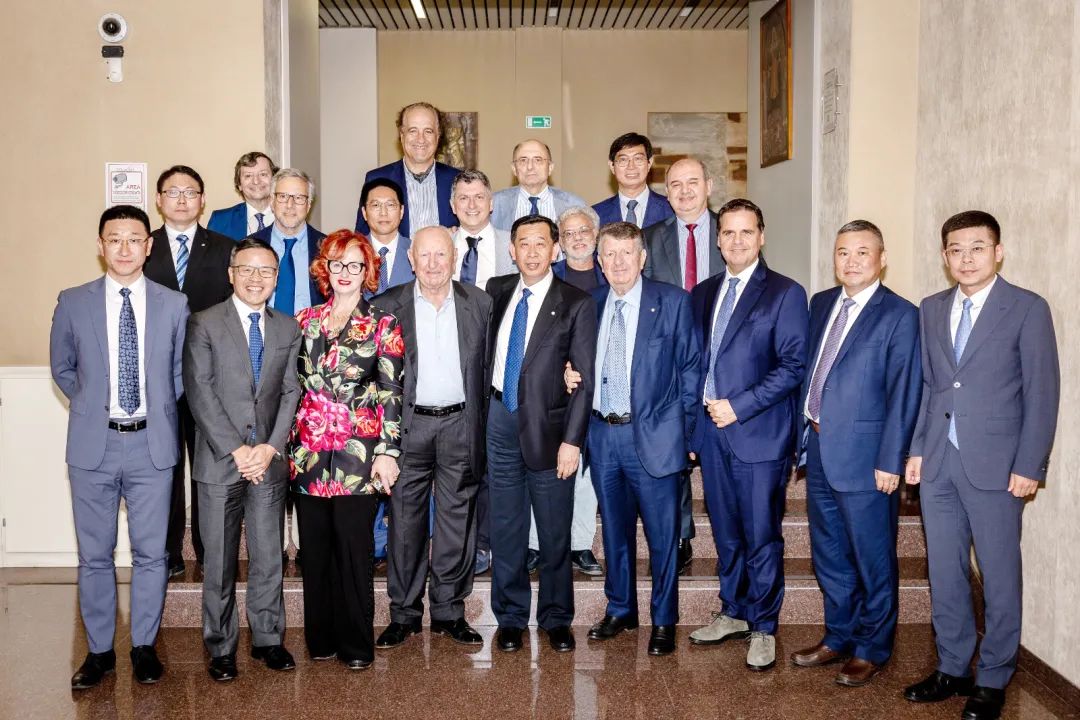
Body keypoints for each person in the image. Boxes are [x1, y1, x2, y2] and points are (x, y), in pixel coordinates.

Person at [903, 211, 1059, 720]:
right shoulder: (931, 308)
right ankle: (952, 667)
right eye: (956, 249)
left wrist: (1030, 464)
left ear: (998, 252)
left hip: (998, 466)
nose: (966, 258)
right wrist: (918, 449)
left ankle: (993, 677)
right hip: (939, 464)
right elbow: (932, 387)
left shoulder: (1027, 308)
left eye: (977, 247)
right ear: (944, 256)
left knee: (998, 574)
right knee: (945, 572)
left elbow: (1042, 393)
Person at [50, 205, 189, 689]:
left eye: (134, 239)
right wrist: (93, 406)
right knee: (95, 555)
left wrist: (153, 410)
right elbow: (63, 367)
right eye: (115, 239)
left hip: (152, 445)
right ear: (101, 245)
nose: (125, 248)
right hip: (94, 446)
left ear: (149, 246)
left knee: (151, 554)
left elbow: (180, 373)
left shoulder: (174, 304)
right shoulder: (73, 301)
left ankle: (144, 646)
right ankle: (99, 652)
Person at [790, 220, 921, 687]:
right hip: (819, 449)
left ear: (881, 259)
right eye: (843, 252)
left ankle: (872, 647)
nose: (851, 261)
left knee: (873, 558)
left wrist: (891, 459)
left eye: (863, 252)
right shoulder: (822, 302)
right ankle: (838, 636)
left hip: (868, 459)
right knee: (829, 554)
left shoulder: (901, 314)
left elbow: (905, 392)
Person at [563, 221, 700, 656]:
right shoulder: (590, 304)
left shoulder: (672, 302)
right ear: (599, 262)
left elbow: (691, 371)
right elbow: (575, 361)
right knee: (615, 533)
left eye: (627, 253)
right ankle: (620, 608)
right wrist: (569, 374)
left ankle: (664, 620)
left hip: (656, 437)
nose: (618, 262)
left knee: (662, 538)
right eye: (610, 254)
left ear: (642, 259)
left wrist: (686, 435)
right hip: (603, 435)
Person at [688, 198, 808, 672]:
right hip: (711, 435)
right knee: (726, 534)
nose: (736, 241)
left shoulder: (785, 292)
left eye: (746, 232)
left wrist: (739, 406)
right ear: (718, 240)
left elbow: (793, 366)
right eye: (728, 232)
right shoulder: (703, 293)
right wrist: (694, 429)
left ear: (761, 236)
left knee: (761, 535)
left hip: (759, 434)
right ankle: (734, 611)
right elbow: (696, 362)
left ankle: (763, 625)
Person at [183, 237, 303, 682]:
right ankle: (220, 646)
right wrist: (237, 450)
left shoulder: (288, 328)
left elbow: (291, 391)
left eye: (266, 271)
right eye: (247, 269)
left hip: (268, 460)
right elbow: (199, 391)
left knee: (269, 556)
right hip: (220, 461)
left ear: (276, 278)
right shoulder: (204, 323)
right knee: (218, 561)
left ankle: (268, 639)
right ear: (231, 274)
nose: (256, 278)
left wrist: (269, 447)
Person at [287, 229, 405, 670]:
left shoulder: (383, 324)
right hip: (309, 453)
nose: (345, 272)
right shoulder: (303, 321)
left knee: (354, 553)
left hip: (360, 455)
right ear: (326, 268)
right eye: (337, 263)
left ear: (367, 270)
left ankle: (356, 645)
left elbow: (392, 392)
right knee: (315, 552)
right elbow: (291, 388)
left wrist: (388, 452)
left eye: (355, 264)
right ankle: (321, 640)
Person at [373, 226, 492, 649]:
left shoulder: (480, 303)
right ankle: (404, 613)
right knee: (404, 522)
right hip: (409, 428)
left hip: (460, 424)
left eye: (441, 255)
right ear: (411, 259)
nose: (433, 264)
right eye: (424, 255)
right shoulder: (387, 306)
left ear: (454, 258)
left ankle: (449, 612)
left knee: (456, 523)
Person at [485, 215, 596, 653]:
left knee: (553, 531)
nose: (531, 252)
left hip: (550, 431)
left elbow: (583, 380)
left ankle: (556, 617)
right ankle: (510, 618)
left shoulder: (575, 302)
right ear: (512, 250)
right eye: (523, 244)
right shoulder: (496, 291)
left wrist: (573, 441)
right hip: (499, 419)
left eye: (540, 243)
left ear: (555, 250)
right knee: (506, 527)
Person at [144, 164, 234, 576]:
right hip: (157, 379)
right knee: (165, 467)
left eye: (190, 192)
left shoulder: (225, 248)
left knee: (208, 468)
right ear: (159, 200)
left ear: (203, 200)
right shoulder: (143, 246)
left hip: (210, 378)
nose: (182, 199)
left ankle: (209, 548)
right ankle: (169, 552)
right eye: (173, 192)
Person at [643, 156, 724, 573]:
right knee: (672, 445)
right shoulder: (650, 238)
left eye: (693, 182)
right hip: (669, 363)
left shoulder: (732, 231)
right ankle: (679, 533)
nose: (685, 191)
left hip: (722, 357)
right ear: (666, 192)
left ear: (709, 186)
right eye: (675, 184)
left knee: (719, 449)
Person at [524, 205, 608, 577]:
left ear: (596, 235)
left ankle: (579, 543)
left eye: (583, 231)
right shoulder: (547, 278)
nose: (577, 238)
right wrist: (561, 368)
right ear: (559, 242)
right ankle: (535, 543)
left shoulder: (611, 276)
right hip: (551, 390)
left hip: (597, 389)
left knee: (584, 469)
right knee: (542, 463)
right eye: (568, 233)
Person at [252, 167, 327, 561]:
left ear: (309, 203)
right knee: (269, 435)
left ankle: (303, 531)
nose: (291, 204)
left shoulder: (327, 247)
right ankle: (273, 537)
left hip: (315, 359)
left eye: (299, 197)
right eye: (283, 196)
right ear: (271, 200)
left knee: (307, 441)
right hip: (262, 355)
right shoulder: (251, 247)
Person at [354, 101, 459, 238]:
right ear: (402, 136)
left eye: (428, 131)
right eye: (413, 131)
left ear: (438, 136)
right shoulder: (377, 179)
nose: (420, 139)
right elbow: (361, 239)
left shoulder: (457, 180)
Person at [491, 140, 587, 231]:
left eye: (538, 160)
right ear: (514, 169)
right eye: (523, 160)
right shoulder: (493, 204)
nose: (530, 167)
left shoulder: (574, 205)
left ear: (550, 168)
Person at [592, 132, 674, 229]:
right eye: (623, 160)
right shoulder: (595, 214)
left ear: (649, 163)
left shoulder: (672, 209)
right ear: (612, 166)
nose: (631, 166)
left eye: (638, 159)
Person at [449, 169, 515, 289]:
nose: (472, 205)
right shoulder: (443, 245)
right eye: (463, 198)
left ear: (491, 204)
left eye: (479, 197)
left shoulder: (513, 243)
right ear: (453, 206)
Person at [359, 177, 415, 296]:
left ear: (401, 211)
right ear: (364, 213)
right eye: (375, 205)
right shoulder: (353, 252)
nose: (383, 213)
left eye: (390, 205)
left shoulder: (416, 251)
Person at [207, 151, 279, 240]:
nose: (256, 181)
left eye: (263, 174)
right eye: (248, 176)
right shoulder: (220, 221)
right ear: (239, 185)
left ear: (274, 180)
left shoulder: (290, 216)